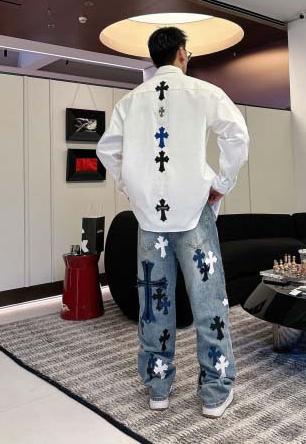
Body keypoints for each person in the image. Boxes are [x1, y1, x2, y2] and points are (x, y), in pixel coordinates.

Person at [96, 26, 250, 418]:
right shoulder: (204, 92)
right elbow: (236, 136)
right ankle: (215, 391)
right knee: (207, 298)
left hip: (151, 217)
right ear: (182, 53)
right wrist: (222, 183)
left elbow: (108, 150)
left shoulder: (130, 101)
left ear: (154, 56)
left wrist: (132, 188)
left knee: (153, 299)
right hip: (195, 209)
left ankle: (158, 388)